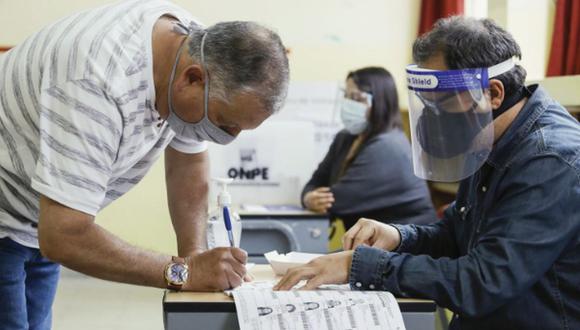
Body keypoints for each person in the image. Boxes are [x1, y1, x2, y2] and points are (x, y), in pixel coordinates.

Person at [275, 16, 580, 330]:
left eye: (440, 103)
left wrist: (360, 265)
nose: (432, 117)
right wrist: (398, 236)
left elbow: (484, 282)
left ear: (492, 93)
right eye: (426, 103)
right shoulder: (489, 138)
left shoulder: (551, 159)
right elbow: (454, 236)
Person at [0, 0, 289, 329]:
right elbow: (65, 235)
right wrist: (184, 272)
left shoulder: (191, 48)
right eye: (224, 124)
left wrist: (193, 253)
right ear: (192, 79)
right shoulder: (96, 80)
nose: (227, 138)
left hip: (35, 217)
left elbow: (188, 163)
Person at [301, 67, 435, 233]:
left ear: (380, 102)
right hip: (371, 243)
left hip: (407, 244)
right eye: (346, 96)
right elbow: (315, 182)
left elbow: (337, 201)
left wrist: (310, 198)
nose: (348, 103)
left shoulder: (388, 146)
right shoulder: (345, 138)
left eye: (357, 98)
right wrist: (307, 198)